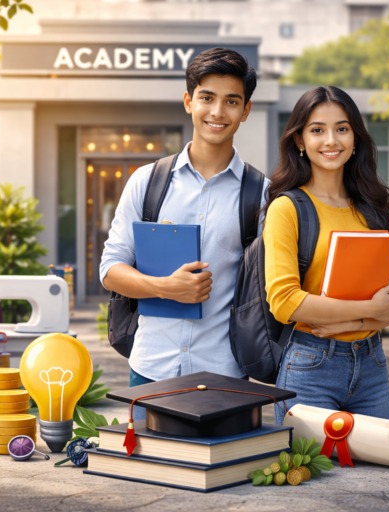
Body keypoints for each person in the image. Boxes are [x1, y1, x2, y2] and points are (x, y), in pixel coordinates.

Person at [99, 48, 266, 419]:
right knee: (146, 473)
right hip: (151, 369)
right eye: (207, 98)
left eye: (231, 101)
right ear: (189, 101)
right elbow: (110, 268)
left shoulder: (261, 193)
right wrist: (163, 287)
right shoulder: (148, 181)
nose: (218, 112)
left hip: (225, 373)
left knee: (223, 475)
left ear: (246, 110)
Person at [263, 86, 389, 424]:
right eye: (317, 130)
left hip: (373, 368)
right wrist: (371, 310)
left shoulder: (375, 208)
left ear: (355, 138)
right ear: (300, 141)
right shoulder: (286, 209)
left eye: (342, 129)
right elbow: (285, 302)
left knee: (380, 475)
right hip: (309, 366)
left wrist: (355, 322)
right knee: (317, 474)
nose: (331, 140)